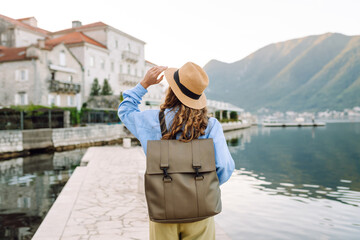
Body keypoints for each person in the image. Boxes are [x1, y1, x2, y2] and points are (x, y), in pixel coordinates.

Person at [118, 62, 235, 240]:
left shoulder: (151, 120)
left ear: (171, 90)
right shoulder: (211, 125)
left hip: (163, 210)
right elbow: (224, 166)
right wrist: (201, 187)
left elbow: (125, 110)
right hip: (200, 209)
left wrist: (144, 84)